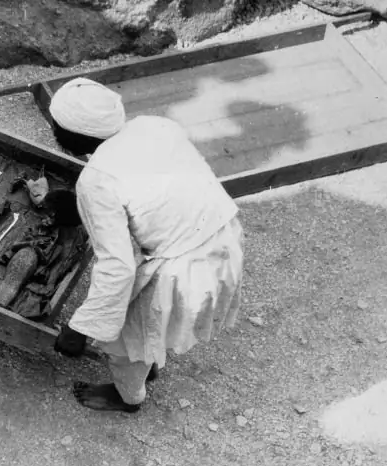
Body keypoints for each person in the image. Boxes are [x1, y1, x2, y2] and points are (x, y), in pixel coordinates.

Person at [50, 77, 244, 413]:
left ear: (68, 137)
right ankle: (150, 357)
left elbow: (118, 267)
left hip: (184, 268)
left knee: (123, 343)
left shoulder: (95, 181)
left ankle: (127, 397)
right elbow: (153, 193)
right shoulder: (155, 125)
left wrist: (80, 328)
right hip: (224, 236)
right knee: (152, 327)